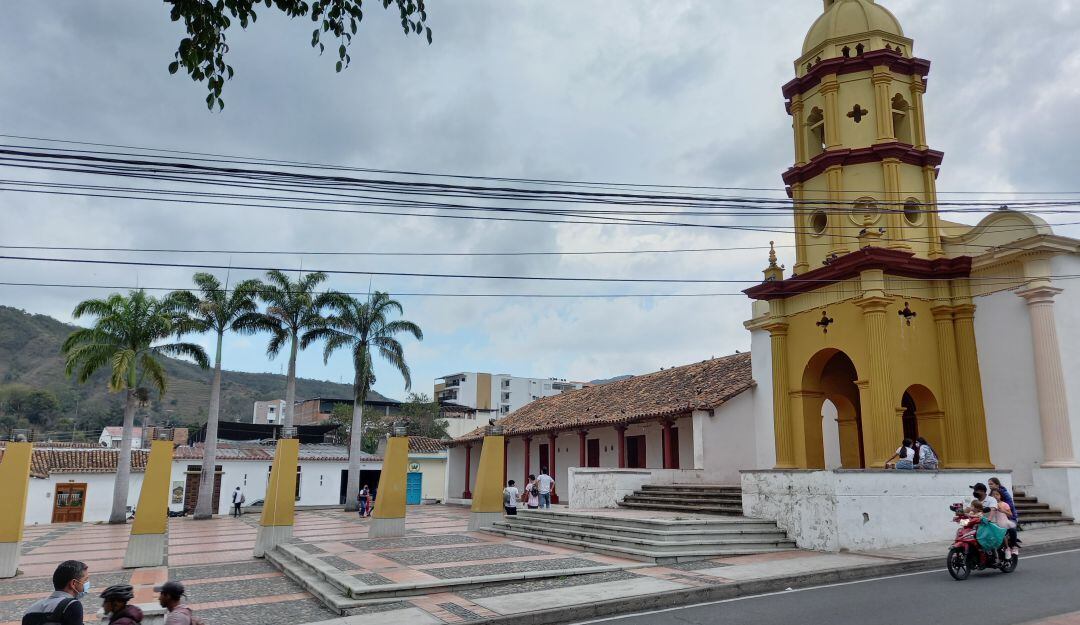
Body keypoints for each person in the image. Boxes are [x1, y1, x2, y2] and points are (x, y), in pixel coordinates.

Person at [21, 560, 88, 625]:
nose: (87, 583)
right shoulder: (72, 605)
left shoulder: (29, 610)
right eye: (85, 580)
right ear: (73, 583)